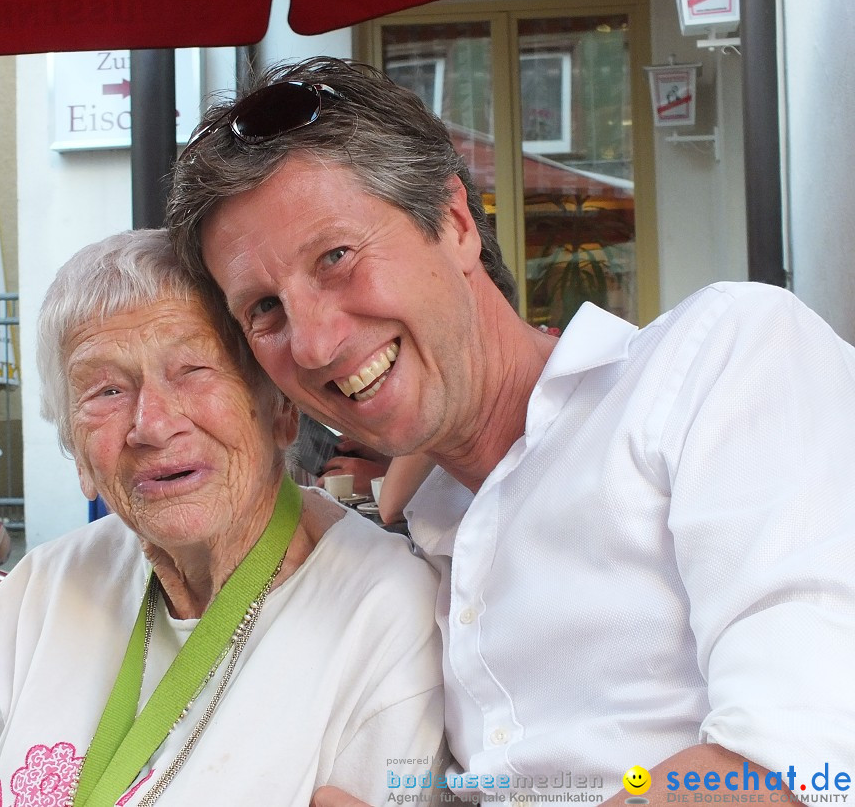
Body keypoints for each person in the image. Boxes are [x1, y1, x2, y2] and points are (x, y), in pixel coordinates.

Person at [166, 57, 855, 806]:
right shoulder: (421, 547)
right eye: (264, 309)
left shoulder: (716, 360)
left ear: (456, 224)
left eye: (335, 257)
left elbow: (796, 759)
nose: (313, 344)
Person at [0, 229, 446, 807]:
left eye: (193, 369)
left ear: (281, 410)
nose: (152, 424)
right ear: (75, 450)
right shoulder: (29, 603)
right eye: (106, 390)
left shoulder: (389, 613)